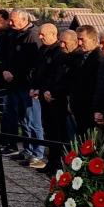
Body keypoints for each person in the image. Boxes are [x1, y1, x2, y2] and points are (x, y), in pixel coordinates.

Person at [2, 11, 44, 168]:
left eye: (13, 21)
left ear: (24, 20)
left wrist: (16, 74)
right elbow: (7, 55)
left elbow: (32, 64)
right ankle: (27, 149)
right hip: (14, 83)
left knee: (33, 120)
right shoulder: (14, 34)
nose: (10, 24)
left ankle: (38, 152)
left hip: (26, 84)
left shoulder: (32, 36)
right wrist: (5, 70)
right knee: (24, 120)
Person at [35, 26, 74, 172]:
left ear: (53, 34)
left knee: (60, 133)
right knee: (50, 131)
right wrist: (40, 89)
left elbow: (60, 78)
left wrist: (51, 91)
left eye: (43, 34)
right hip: (47, 95)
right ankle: (52, 162)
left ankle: (59, 164)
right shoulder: (44, 50)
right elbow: (41, 73)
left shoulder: (60, 53)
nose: (40, 37)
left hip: (58, 99)